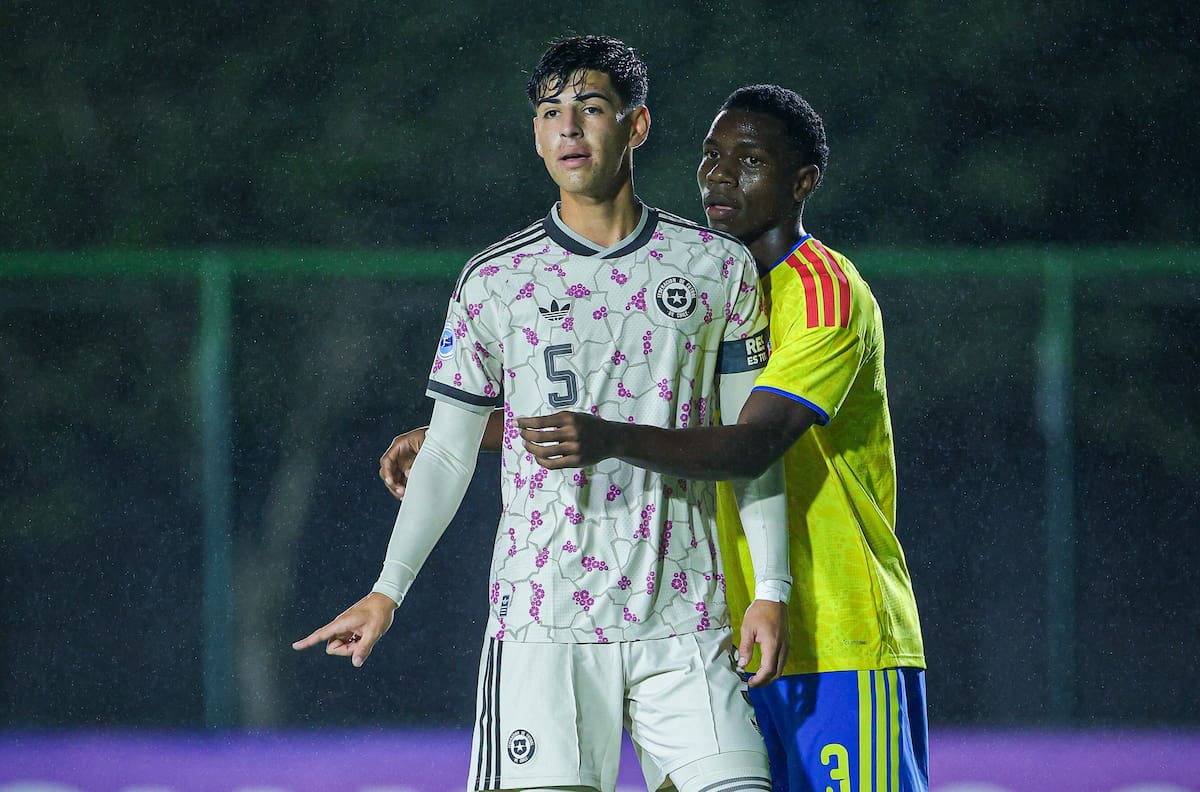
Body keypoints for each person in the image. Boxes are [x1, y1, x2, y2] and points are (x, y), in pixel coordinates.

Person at [382, 85, 929, 792]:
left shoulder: (822, 292)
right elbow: (656, 410)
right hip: (730, 634)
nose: (720, 175)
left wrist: (605, 438)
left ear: (803, 182)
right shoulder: (714, 286)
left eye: (750, 159)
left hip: (835, 637)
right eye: (711, 156)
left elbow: (747, 444)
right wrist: (467, 432)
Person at [295, 36, 792, 792]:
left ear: (637, 125)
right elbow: (451, 452)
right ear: (534, 132)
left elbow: (746, 446)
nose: (568, 129)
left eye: (590, 109)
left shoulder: (715, 268)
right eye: (550, 112)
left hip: (686, 620)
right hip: (544, 624)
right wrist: (387, 590)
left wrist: (772, 587)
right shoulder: (495, 279)